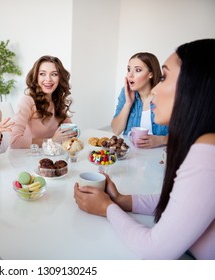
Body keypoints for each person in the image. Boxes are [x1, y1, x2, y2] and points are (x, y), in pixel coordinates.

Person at [74, 39, 215, 260]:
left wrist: (107, 208)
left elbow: (154, 251)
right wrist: (121, 200)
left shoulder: (208, 152)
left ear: (195, 86)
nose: (157, 89)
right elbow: (175, 201)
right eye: (128, 70)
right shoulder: (204, 142)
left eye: (165, 77)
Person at [10, 55, 76, 148]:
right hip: (27, 156)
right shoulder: (27, 101)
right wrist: (52, 140)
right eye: (42, 74)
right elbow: (14, 142)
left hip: (50, 154)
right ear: (36, 77)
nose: (48, 79)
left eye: (54, 74)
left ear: (60, 78)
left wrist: (71, 133)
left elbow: (70, 129)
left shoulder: (57, 100)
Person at [111, 52, 168, 148]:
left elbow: (186, 134)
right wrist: (128, 103)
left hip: (160, 156)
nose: (130, 75)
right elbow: (116, 130)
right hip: (133, 155)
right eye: (129, 69)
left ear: (151, 74)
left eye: (137, 70)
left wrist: (161, 140)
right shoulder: (126, 92)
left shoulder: (165, 96)